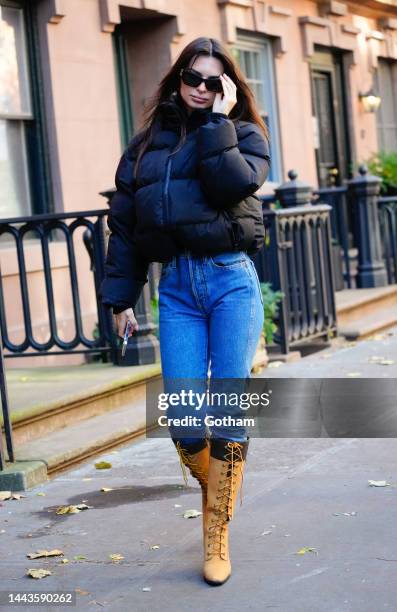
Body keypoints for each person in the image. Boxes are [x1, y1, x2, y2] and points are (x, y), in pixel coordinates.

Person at [99, 36, 270, 586]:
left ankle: (215, 532)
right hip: (175, 287)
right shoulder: (147, 146)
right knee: (183, 416)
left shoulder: (243, 134)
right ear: (177, 80)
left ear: (227, 88)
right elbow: (124, 225)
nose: (201, 89)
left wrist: (216, 124)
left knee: (227, 408)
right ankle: (221, 488)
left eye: (212, 82)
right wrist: (120, 298)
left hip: (230, 281)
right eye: (193, 79)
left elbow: (232, 184)